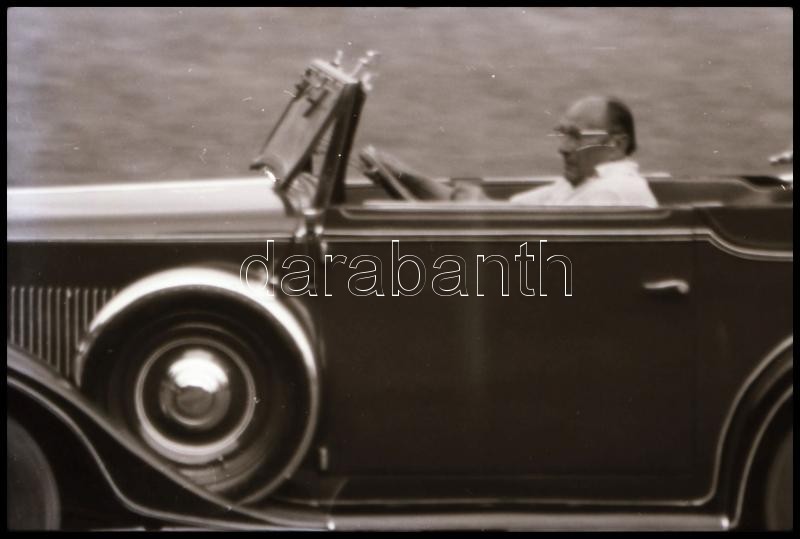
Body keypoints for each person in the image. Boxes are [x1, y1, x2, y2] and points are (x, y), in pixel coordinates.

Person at [360, 95, 658, 207]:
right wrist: (406, 177)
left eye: (577, 137)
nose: (562, 148)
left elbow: (492, 215)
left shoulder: (613, 191)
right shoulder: (579, 184)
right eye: (563, 134)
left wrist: (408, 178)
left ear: (616, 145)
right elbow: (496, 209)